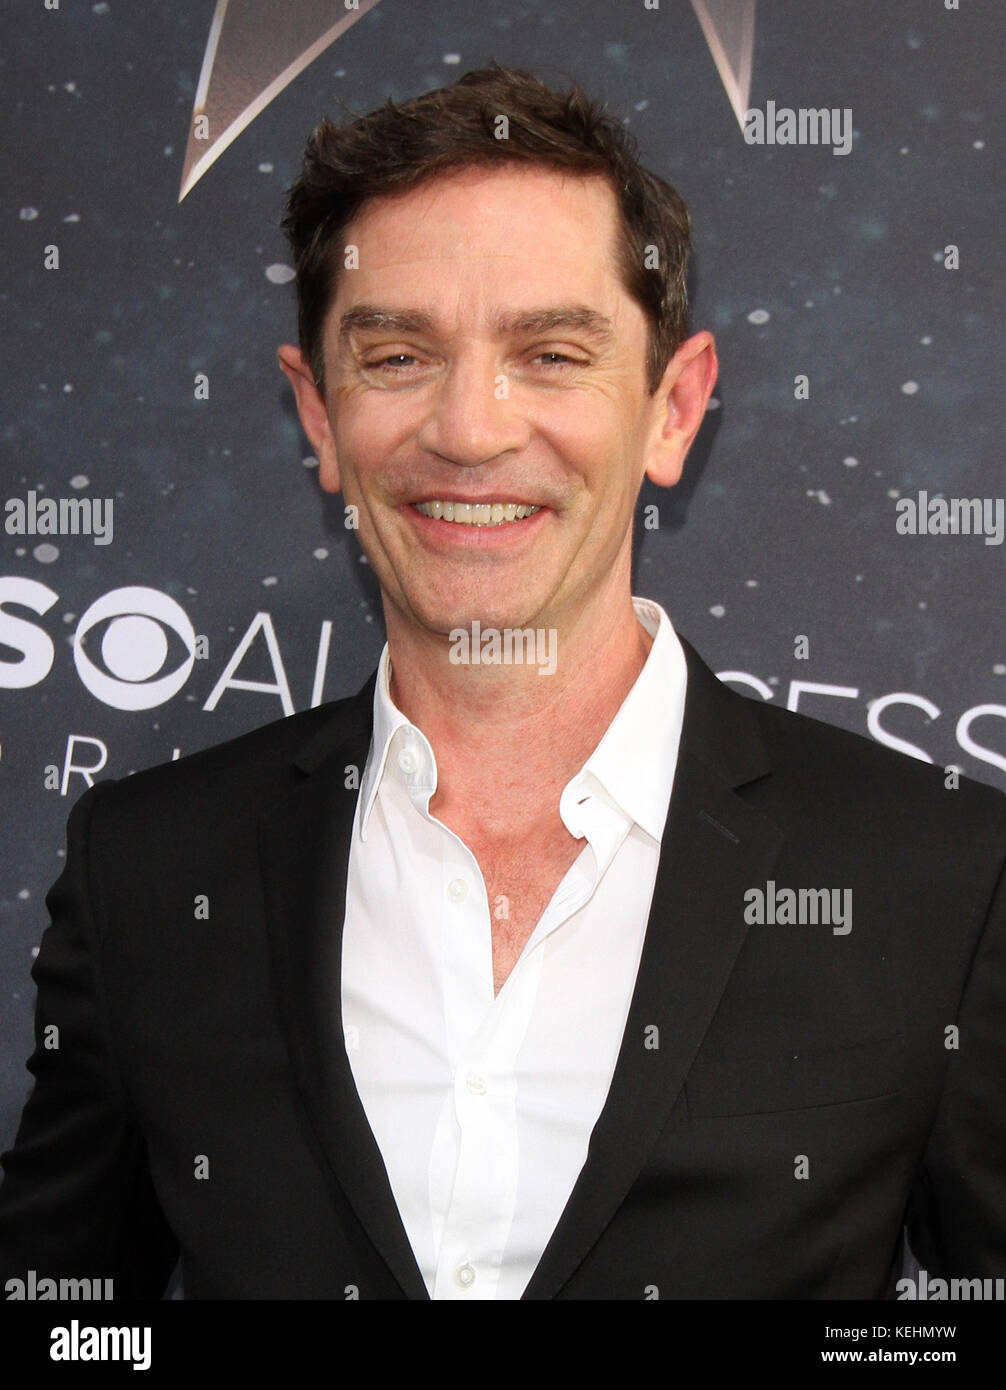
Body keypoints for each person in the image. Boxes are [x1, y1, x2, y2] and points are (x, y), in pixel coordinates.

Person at [1, 63, 1004, 1302]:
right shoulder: (149, 871)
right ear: (317, 416)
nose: (470, 429)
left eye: (550, 352)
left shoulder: (937, 875)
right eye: (399, 353)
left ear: (673, 409)